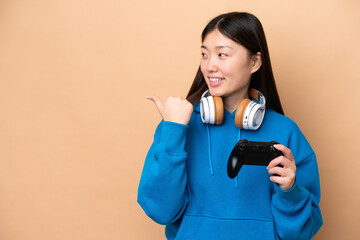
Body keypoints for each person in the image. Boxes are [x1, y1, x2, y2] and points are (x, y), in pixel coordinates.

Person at [137, 12, 323, 240]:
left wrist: (290, 192)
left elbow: (301, 233)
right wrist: (174, 130)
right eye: (204, 55)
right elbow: (160, 211)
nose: (210, 66)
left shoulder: (286, 131)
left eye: (222, 54)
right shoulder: (178, 125)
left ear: (254, 62)